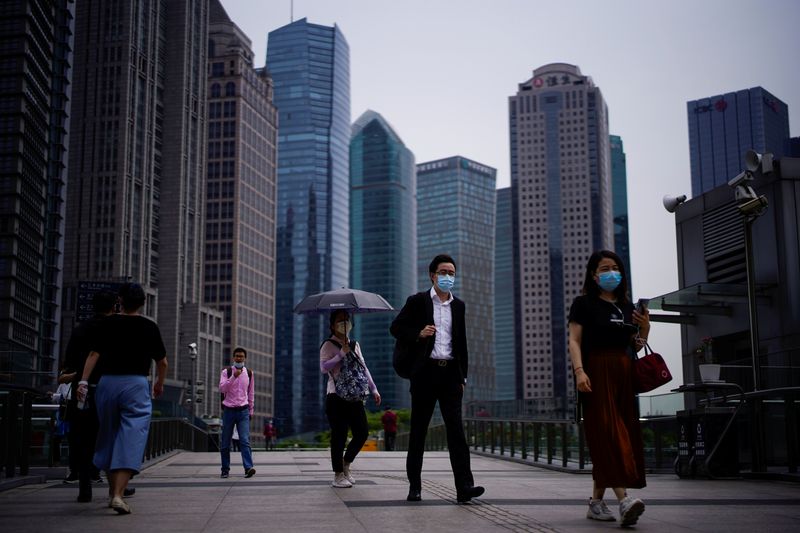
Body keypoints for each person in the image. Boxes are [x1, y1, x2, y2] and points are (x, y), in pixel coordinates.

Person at [390, 254, 485, 503]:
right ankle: (415, 487)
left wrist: (463, 377)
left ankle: (465, 487)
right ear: (432, 275)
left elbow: (461, 343)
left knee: (456, 432)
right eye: (443, 272)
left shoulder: (459, 306)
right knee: (418, 431)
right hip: (424, 373)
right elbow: (396, 328)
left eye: (452, 273)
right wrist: (418, 333)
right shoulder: (418, 302)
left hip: (450, 375)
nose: (448, 277)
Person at [568, 250, 650, 526]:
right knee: (609, 432)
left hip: (623, 373)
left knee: (618, 430)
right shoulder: (583, 304)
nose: (611, 272)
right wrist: (579, 371)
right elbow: (575, 340)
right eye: (604, 268)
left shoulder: (627, 306)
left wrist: (645, 327)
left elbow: (636, 345)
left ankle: (595, 503)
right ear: (594, 274)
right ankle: (624, 498)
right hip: (595, 371)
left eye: (615, 267)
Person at [77, 283, 168, 514]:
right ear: (142, 302)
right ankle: (118, 494)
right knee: (132, 435)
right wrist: (159, 383)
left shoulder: (107, 323)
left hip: (107, 383)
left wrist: (83, 381)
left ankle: (112, 492)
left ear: (120, 300)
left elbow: (93, 354)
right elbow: (162, 361)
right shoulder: (149, 326)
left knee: (108, 435)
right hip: (136, 384)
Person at [61, 290, 117, 501]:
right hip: (109, 388)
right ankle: (118, 485)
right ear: (114, 307)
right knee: (112, 436)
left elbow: (69, 362)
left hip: (81, 389)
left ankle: (85, 487)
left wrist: (79, 377)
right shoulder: (115, 328)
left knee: (83, 439)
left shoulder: (80, 329)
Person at [320, 310, 381, 488]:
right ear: (332, 325)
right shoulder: (328, 345)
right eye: (340, 321)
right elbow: (324, 368)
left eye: (346, 320)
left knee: (362, 432)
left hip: (354, 396)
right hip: (335, 397)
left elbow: (363, 367)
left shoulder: (355, 344)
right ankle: (338, 475)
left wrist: (374, 388)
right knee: (339, 435)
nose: (344, 323)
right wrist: (341, 354)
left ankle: (346, 464)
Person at [219, 347, 256, 479]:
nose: (239, 358)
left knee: (245, 440)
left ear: (245, 358)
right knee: (225, 442)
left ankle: (248, 468)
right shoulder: (227, 372)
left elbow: (251, 393)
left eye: (241, 356)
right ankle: (225, 469)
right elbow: (222, 388)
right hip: (229, 410)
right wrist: (233, 377)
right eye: (237, 356)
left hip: (243, 411)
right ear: (233, 357)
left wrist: (251, 410)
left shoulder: (250, 373)